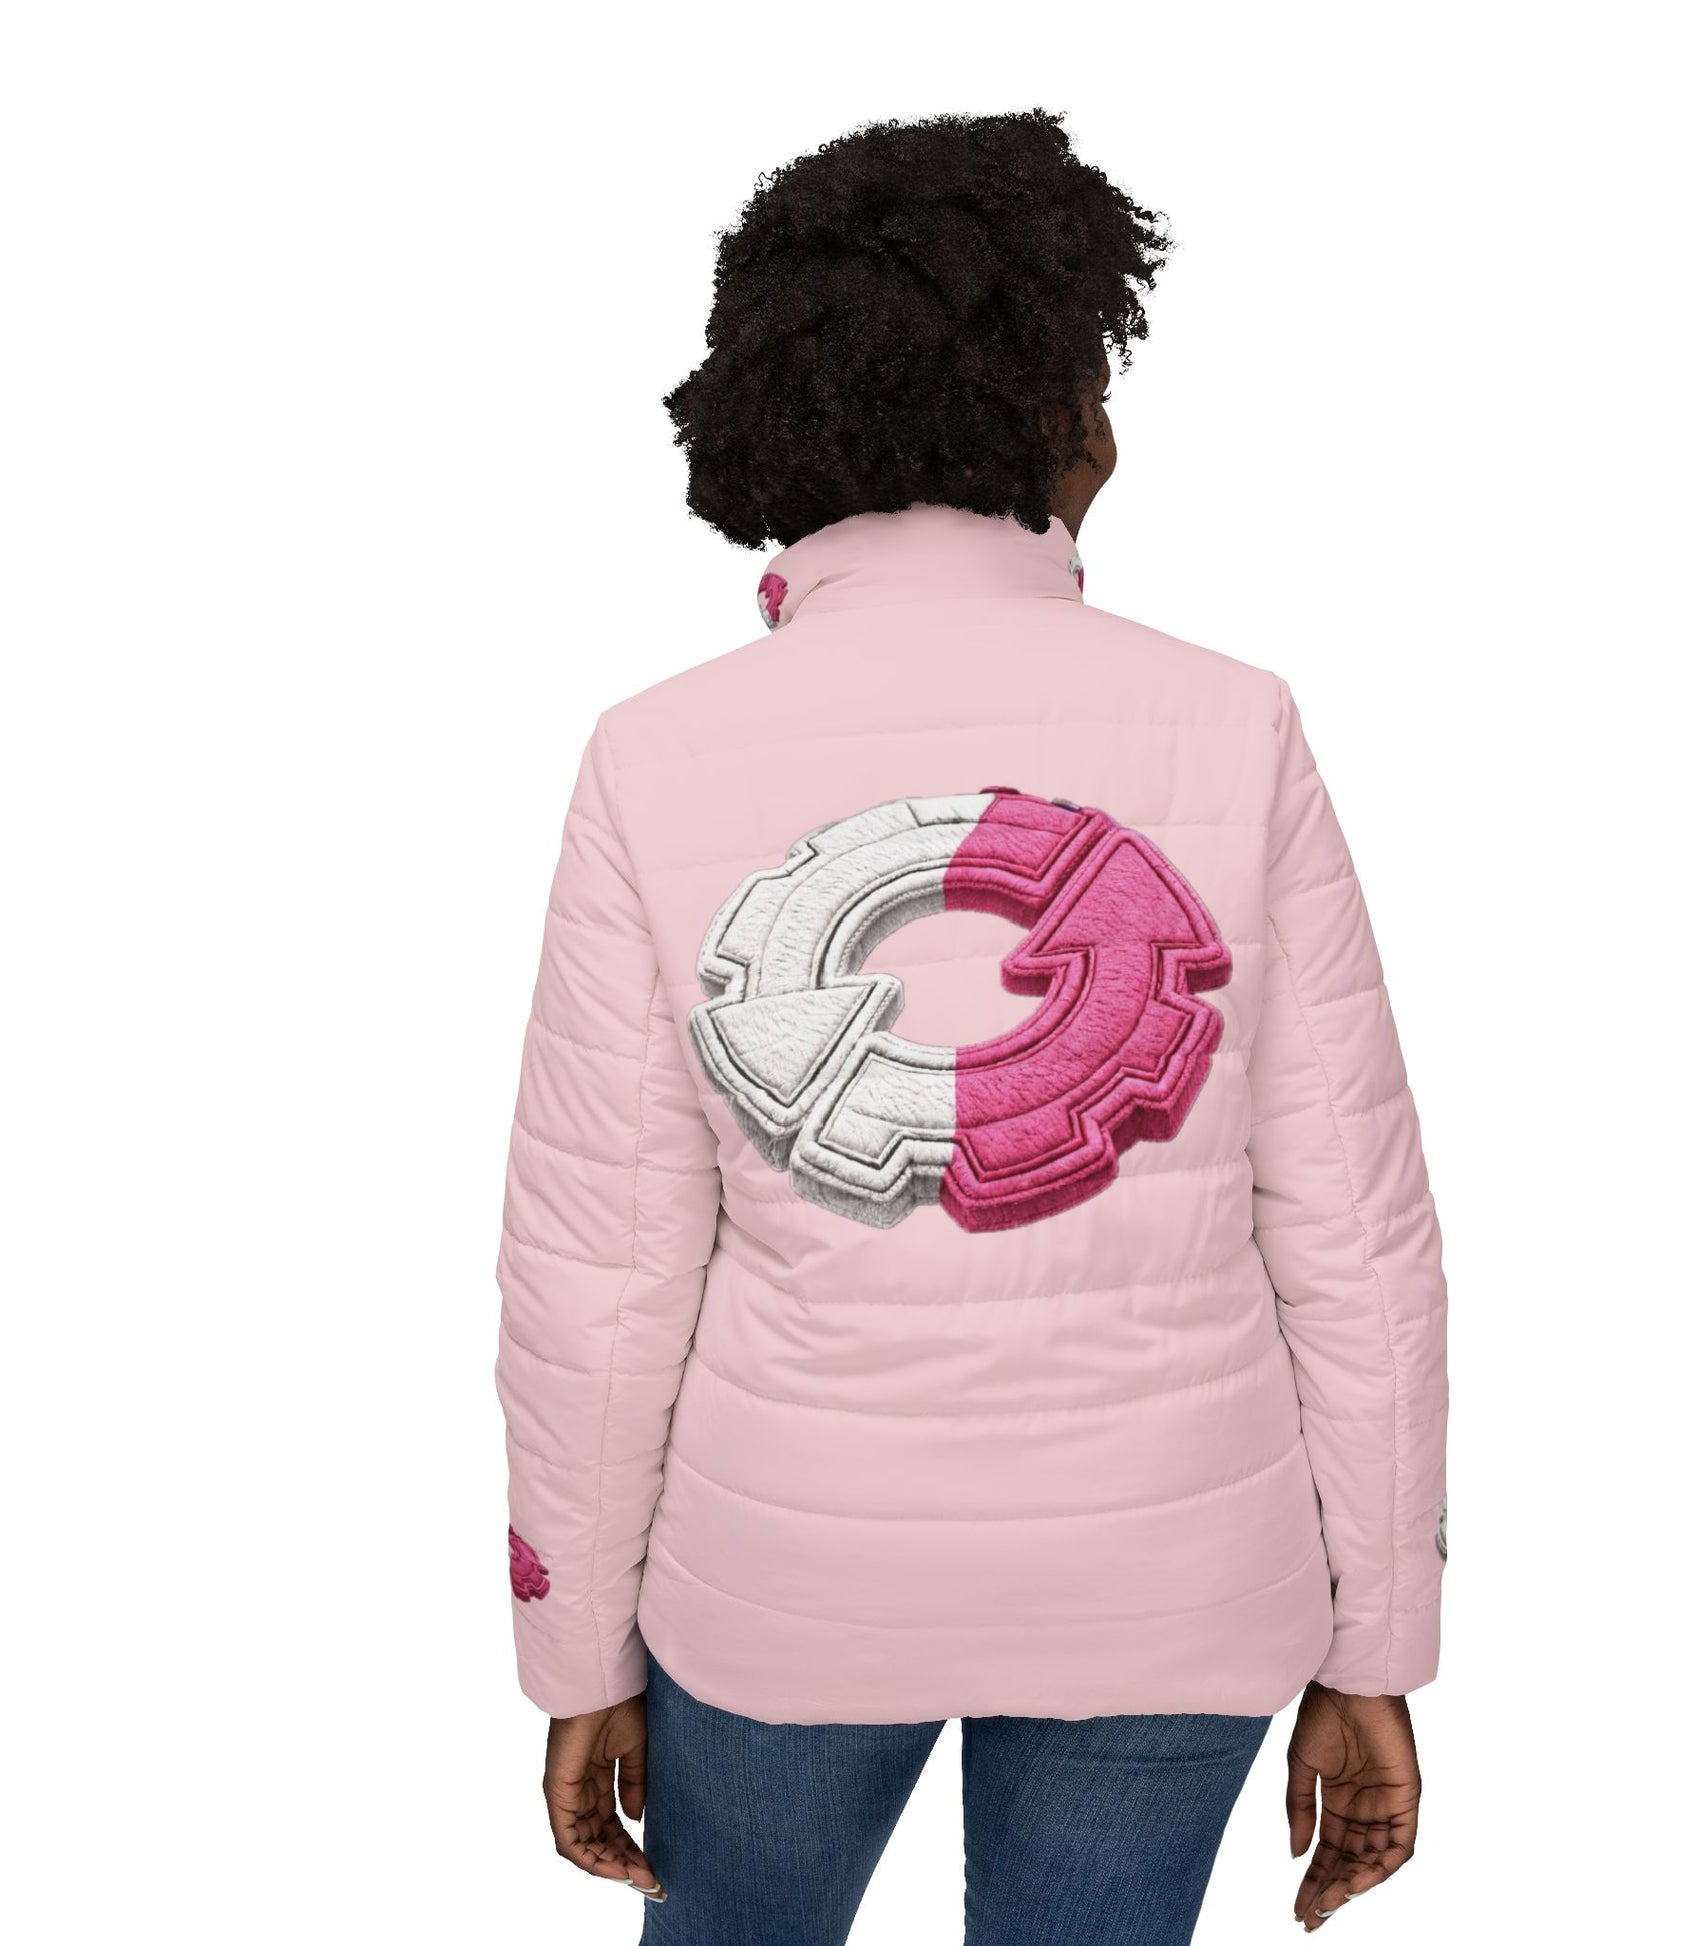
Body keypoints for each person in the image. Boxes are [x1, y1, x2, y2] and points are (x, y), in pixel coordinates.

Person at [496, 109, 1448, 1944]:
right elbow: (1357, 1239)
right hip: (1175, 1568)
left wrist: (576, 1646)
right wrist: (1376, 1639)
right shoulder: (1233, 722)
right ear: (1056, 411)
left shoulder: (654, 752)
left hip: (786, 1574)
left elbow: (597, 1272)